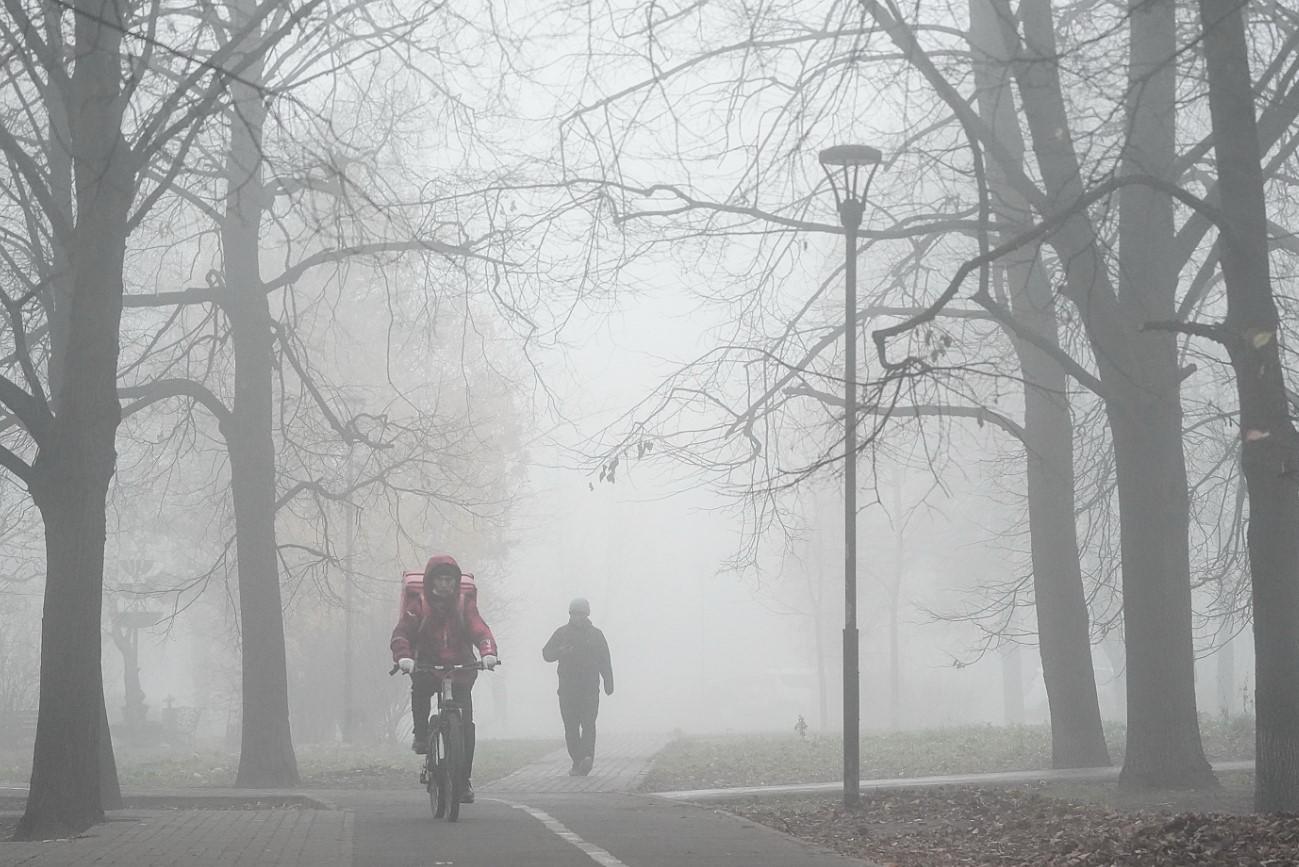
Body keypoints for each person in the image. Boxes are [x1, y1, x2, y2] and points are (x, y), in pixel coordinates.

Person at [391, 553, 499, 804]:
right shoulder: (418, 605)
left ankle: (463, 781)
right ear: (430, 582)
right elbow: (401, 634)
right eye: (440, 579)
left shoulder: (464, 605)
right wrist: (404, 657)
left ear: (456, 582)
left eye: (450, 580)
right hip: (427, 666)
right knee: (420, 691)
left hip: (460, 669)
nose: (445, 585)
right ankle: (421, 736)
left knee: (465, 724)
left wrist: (488, 653)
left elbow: (480, 630)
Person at [542, 597, 613, 776]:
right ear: (570, 614)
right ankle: (578, 760)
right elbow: (546, 653)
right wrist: (560, 652)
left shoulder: (596, 635)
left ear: (587, 614)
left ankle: (587, 757)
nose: (577, 617)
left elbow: (605, 660)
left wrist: (608, 681)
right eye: (574, 614)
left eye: (581, 614)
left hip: (590, 690)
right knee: (571, 728)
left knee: (589, 724)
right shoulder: (562, 633)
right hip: (567, 690)